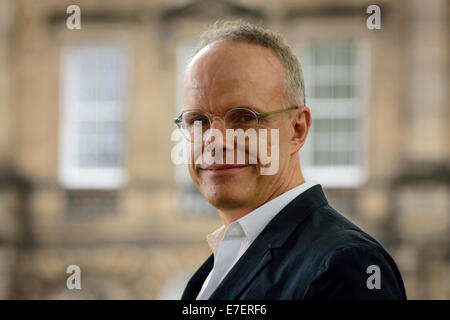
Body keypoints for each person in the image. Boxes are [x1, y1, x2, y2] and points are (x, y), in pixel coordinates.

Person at [176, 20, 406, 300]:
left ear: (297, 129)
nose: (215, 141)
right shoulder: (212, 273)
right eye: (198, 120)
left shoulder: (345, 266)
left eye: (245, 117)